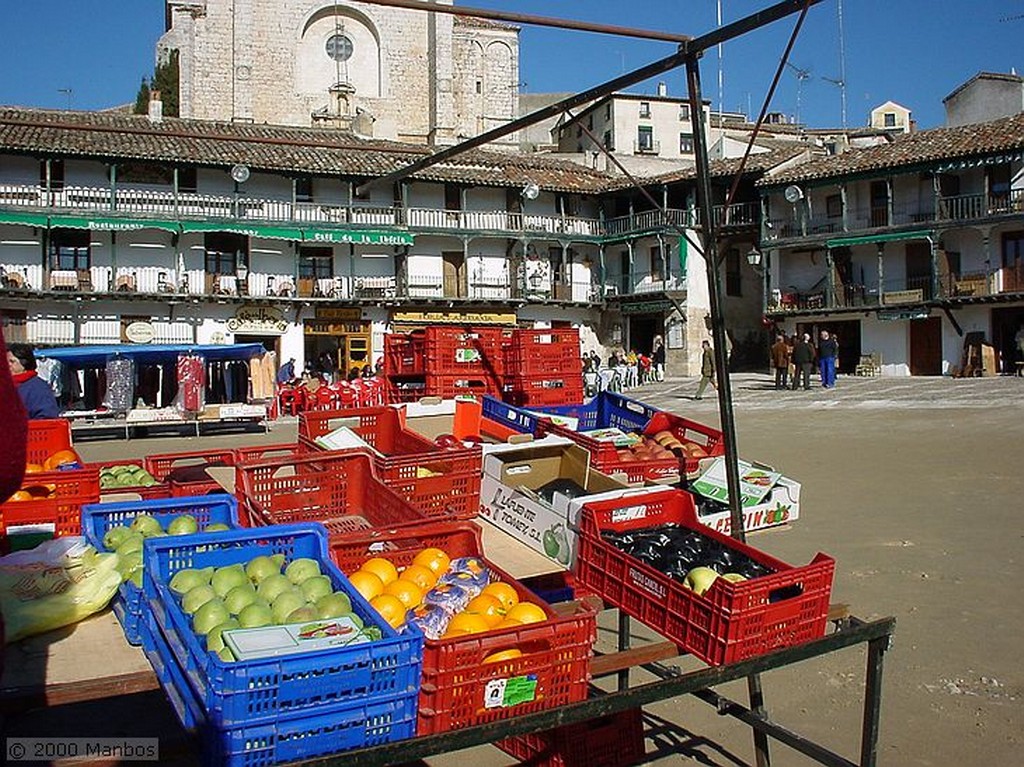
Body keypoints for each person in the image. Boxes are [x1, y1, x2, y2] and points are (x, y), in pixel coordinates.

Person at [7, 344, 61, 419]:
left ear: (24, 363)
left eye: (12, 361)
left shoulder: (38, 388)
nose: (7, 365)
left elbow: (47, 417)